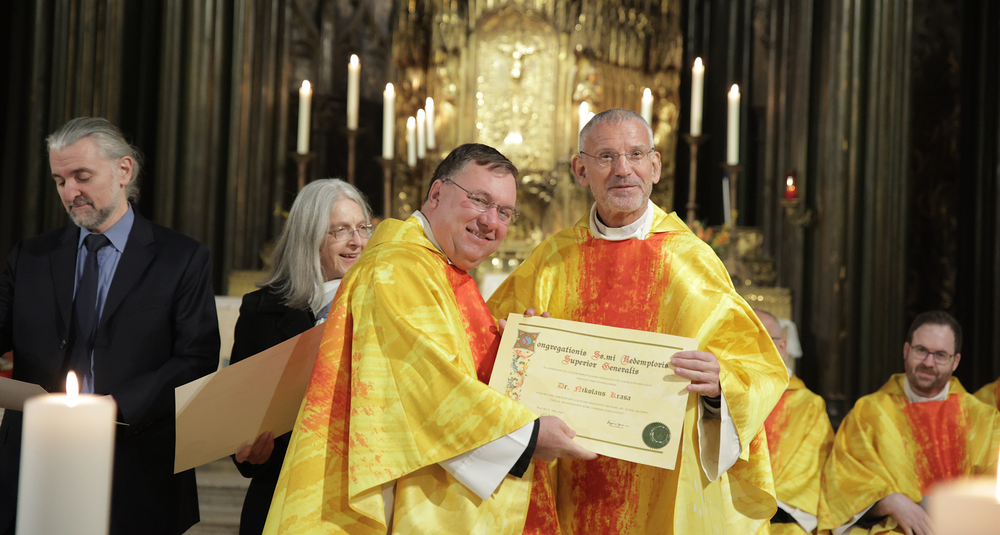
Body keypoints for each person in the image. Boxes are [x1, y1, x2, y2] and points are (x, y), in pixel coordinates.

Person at [263, 144, 596, 535]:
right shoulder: (395, 267)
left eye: (505, 212)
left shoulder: (440, 266)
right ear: (437, 193)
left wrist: (521, 354)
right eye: (479, 200)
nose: (491, 221)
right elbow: (424, 386)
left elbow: (460, 370)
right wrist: (528, 436)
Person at [488, 108, 788, 535]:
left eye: (635, 154)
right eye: (605, 156)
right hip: (567, 471)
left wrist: (720, 384)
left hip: (662, 476)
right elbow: (487, 343)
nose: (622, 169)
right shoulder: (551, 261)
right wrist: (522, 343)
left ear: (655, 166)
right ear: (581, 170)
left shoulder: (691, 261)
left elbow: (758, 369)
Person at [0, 117, 221, 535]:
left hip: (136, 462)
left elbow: (197, 357)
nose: (70, 193)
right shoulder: (30, 256)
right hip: (33, 463)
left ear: (124, 170)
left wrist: (114, 407)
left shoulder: (181, 258)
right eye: (60, 180)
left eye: (82, 177)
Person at [230, 178, 374, 535]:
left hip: (363, 501)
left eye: (362, 228)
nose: (357, 241)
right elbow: (240, 416)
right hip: (283, 498)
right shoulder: (261, 312)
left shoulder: (386, 304)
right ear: (308, 236)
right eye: (341, 230)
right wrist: (252, 455)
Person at [818, 311, 1000, 535]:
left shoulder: (984, 419)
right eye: (921, 350)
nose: (928, 363)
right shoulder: (869, 413)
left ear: (955, 361)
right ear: (906, 350)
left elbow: (992, 494)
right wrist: (890, 502)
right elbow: (841, 486)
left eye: (940, 355)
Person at [758, 310, 834, 534]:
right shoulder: (721, 395)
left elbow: (806, 475)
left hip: (779, 518)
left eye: (761, 339)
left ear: (782, 346)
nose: (750, 349)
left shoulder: (808, 405)